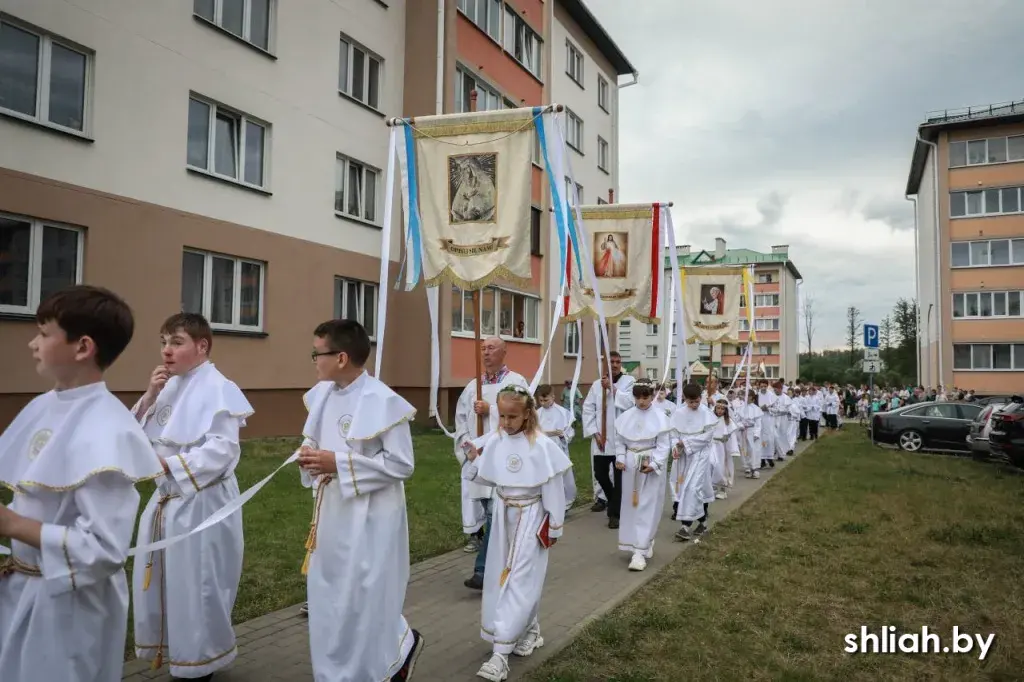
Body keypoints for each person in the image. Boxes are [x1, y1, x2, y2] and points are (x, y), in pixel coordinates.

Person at [0, 285, 165, 682]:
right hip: (20, 587)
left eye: (44, 332)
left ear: (82, 347)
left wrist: (12, 526)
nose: (32, 343)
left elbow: (104, 549)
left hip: (67, 607)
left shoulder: (106, 429)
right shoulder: (42, 405)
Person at [295, 319, 423, 681]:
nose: (313, 361)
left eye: (316, 353)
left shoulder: (382, 401)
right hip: (332, 511)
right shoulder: (321, 395)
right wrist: (309, 457)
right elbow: (315, 442)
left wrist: (338, 463)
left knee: (364, 596)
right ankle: (334, 672)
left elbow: (401, 464)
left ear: (341, 357)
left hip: (372, 515)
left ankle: (390, 657)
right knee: (330, 595)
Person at [131, 313, 252, 680]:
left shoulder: (219, 387)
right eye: (164, 341)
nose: (167, 351)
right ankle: (175, 653)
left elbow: (222, 451)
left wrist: (170, 466)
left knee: (198, 587)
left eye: (177, 342)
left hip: (202, 503)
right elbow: (131, 433)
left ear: (202, 346)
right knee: (166, 585)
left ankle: (201, 663)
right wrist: (150, 394)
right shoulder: (168, 386)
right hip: (168, 501)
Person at [462, 386, 570, 682]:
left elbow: (552, 487)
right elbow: (488, 474)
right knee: (503, 576)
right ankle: (531, 630)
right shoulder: (497, 440)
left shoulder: (542, 445)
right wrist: (473, 458)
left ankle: (500, 653)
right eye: (503, 416)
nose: (507, 422)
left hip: (531, 516)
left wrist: (554, 525)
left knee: (520, 578)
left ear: (527, 415)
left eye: (513, 416)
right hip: (503, 514)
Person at [455, 337, 529, 590]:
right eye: (483, 348)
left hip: (504, 459)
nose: (486, 353)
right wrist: (468, 446)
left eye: (492, 348)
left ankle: (483, 569)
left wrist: (492, 411)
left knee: (496, 514)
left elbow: (524, 415)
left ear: (504, 352)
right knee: (490, 514)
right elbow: (461, 420)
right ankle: (498, 564)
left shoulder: (515, 383)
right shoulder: (472, 387)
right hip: (479, 457)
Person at [613, 380, 672, 572]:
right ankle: (635, 543)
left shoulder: (660, 417)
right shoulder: (626, 416)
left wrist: (655, 463)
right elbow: (620, 440)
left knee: (647, 506)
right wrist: (620, 457)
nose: (641, 401)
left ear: (652, 395)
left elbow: (664, 444)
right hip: (630, 467)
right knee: (631, 506)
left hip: (649, 464)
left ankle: (640, 550)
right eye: (637, 397)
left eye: (645, 397)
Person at [582, 351, 636, 529]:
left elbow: (631, 403)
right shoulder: (596, 385)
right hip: (602, 438)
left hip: (620, 437)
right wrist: (594, 432)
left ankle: (615, 514)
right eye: (611, 362)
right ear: (605, 365)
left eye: (617, 362)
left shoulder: (629, 382)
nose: (614, 364)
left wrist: (612, 390)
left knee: (620, 477)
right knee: (600, 474)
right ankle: (613, 500)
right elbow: (589, 408)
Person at [670, 383, 719, 541]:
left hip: (700, 455)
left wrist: (687, 443)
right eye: (691, 402)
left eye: (697, 401)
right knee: (696, 490)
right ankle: (703, 523)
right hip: (684, 456)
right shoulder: (678, 413)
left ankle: (685, 526)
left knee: (693, 488)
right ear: (684, 398)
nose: (694, 405)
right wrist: (675, 449)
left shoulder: (706, 413)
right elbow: (673, 434)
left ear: (701, 398)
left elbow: (708, 436)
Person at [535, 384, 576, 511]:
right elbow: (534, 431)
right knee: (547, 477)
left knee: (563, 475)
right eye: (540, 400)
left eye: (545, 400)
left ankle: (567, 503)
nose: (543, 403)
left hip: (559, 447)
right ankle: (548, 503)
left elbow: (570, 431)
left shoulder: (562, 412)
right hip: (543, 449)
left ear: (553, 397)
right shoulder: (537, 414)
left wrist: (563, 435)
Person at [710, 398, 738, 500]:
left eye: (722, 409)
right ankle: (712, 486)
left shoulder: (728, 421)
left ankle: (723, 489)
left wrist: (732, 449)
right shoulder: (711, 419)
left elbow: (732, 436)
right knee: (712, 466)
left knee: (722, 467)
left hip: (723, 448)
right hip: (711, 447)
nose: (720, 411)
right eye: (718, 408)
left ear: (726, 410)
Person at [738, 390, 762, 479]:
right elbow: (737, 420)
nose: (745, 398)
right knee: (744, 449)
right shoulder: (740, 408)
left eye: (747, 396)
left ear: (751, 397)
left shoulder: (756, 409)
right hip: (743, 431)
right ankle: (747, 467)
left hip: (752, 431)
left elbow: (758, 423)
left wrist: (756, 433)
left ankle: (754, 468)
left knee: (753, 450)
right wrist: (740, 425)